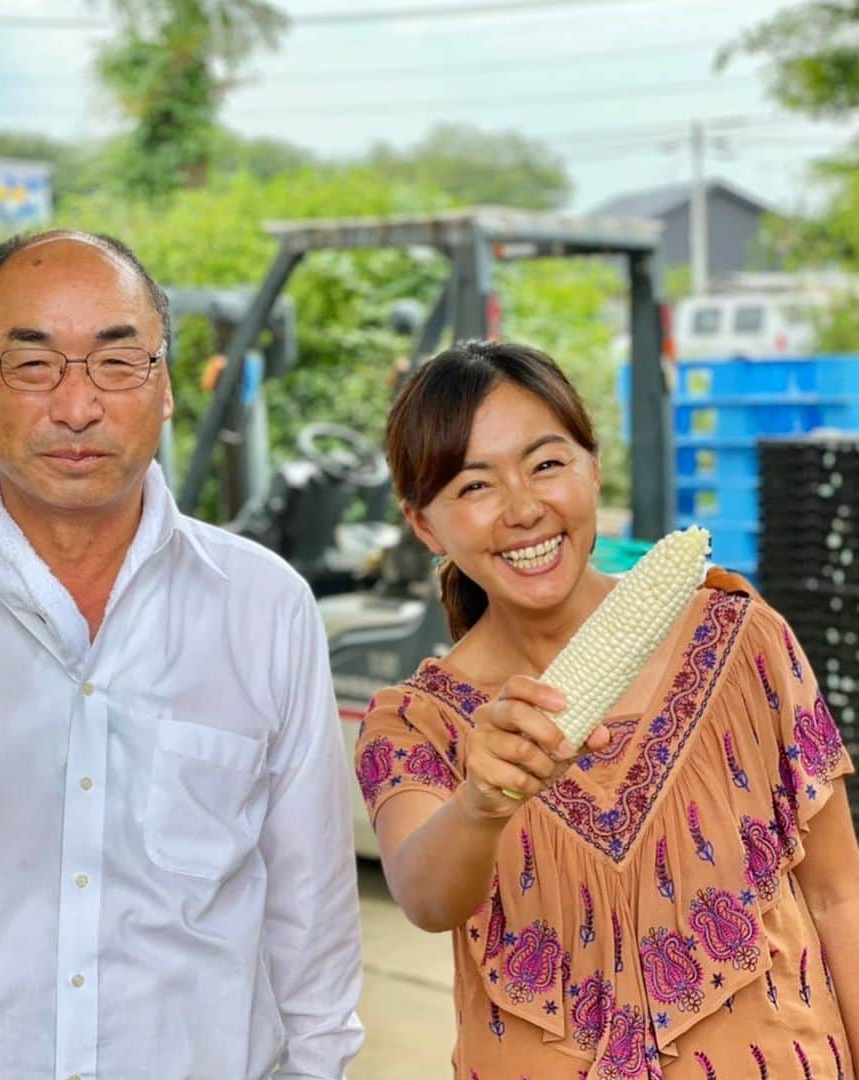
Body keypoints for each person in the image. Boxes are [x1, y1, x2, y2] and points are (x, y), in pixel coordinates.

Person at [0, 229, 363, 1079]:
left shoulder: (264, 605)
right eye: (33, 363)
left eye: (117, 363)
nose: (77, 406)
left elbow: (310, 921)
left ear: (164, 386)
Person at [355, 340, 858, 1079]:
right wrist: (480, 806)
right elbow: (424, 896)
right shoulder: (415, 723)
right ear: (425, 526)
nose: (524, 509)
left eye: (548, 463)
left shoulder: (744, 637)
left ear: (594, 467)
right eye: (474, 486)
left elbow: (838, 892)